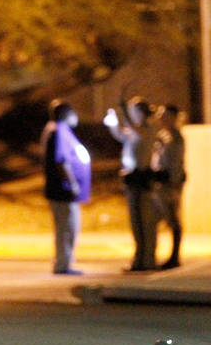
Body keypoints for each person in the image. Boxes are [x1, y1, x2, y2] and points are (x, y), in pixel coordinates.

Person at [104, 97, 157, 271]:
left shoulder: (147, 129)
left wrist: (123, 110)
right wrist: (112, 123)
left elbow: (136, 131)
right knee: (135, 222)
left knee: (145, 222)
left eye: (134, 111)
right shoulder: (132, 132)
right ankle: (139, 259)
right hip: (131, 180)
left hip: (142, 179)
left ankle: (148, 259)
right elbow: (121, 134)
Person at [41, 99, 91, 275]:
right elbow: (62, 160)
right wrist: (72, 183)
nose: (75, 116)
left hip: (60, 189)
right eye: (73, 112)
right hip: (62, 190)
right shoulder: (59, 131)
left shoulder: (54, 130)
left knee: (67, 226)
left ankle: (65, 261)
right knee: (67, 227)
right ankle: (63, 263)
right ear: (65, 114)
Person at [149, 104, 185, 269]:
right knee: (155, 219)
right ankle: (152, 255)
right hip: (159, 183)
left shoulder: (176, 138)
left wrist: (174, 187)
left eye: (165, 115)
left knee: (172, 220)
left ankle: (174, 256)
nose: (161, 118)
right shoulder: (162, 136)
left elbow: (176, 165)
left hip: (169, 184)